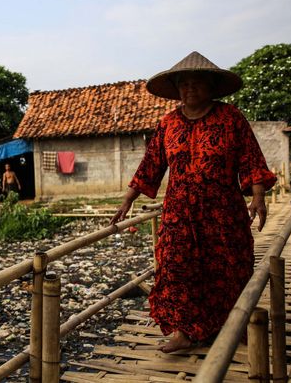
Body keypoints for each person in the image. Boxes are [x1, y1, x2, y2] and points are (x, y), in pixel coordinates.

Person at [110, 52, 277, 353]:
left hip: (223, 214)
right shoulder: (168, 124)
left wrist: (259, 197)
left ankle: (234, 326)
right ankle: (184, 332)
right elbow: (150, 166)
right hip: (179, 215)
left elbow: (251, 160)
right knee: (178, 270)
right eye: (183, 84)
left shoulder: (231, 118)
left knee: (228, 269)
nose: (189, 89)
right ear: (176, 90)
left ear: (212, 86)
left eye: (196, 83)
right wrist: (127, 202)